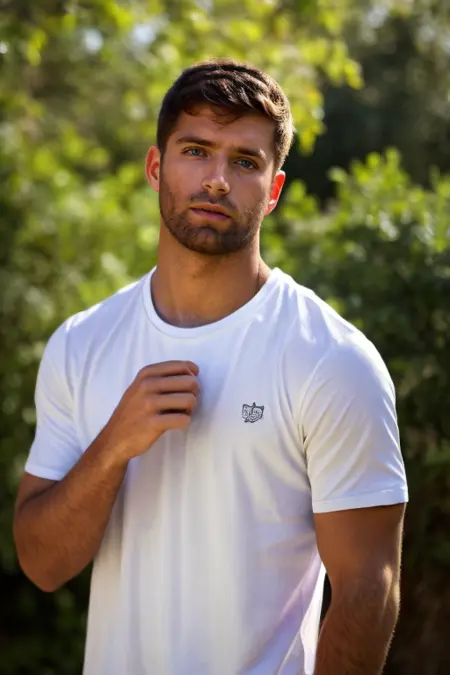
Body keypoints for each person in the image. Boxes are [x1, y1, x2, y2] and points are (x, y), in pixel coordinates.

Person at [13, 58, 408, 675]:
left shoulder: (331, 359)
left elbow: (368, 588)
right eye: (195, 151)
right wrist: (113, 447)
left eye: (245, 162)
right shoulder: (82, 343)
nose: (217, 180)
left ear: (273, 191)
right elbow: (42, 564)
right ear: (155, 167)